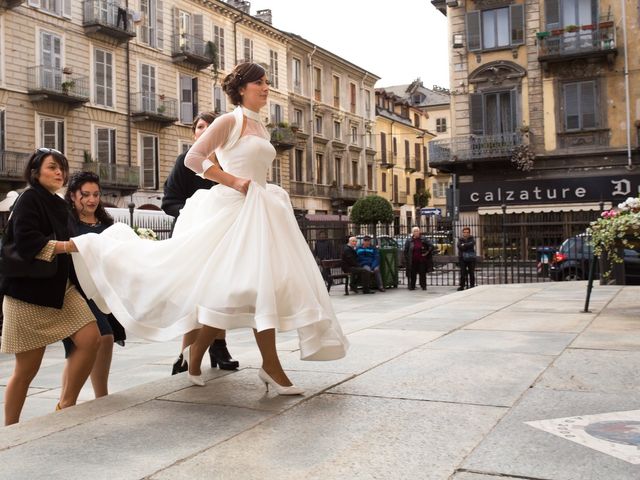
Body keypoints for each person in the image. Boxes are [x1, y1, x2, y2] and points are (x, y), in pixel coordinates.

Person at [67, 62, 348, 395]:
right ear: (242, 88)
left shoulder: (261, 126)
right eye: (260, 82)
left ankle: (200, 352)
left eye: (267, 82)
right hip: (235, 209)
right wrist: (234, 181)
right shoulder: (230, 120)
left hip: (262, 209)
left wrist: (255, 185)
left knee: (243, 291)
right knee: (241, 290)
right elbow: (194, 158)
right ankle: (269, 367)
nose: (266, 87)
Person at [0, 149, 100, 425]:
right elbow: (26, 242)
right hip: (26, 294)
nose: (60, 173)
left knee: (91, 337)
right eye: (53, 167)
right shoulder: (28, 198)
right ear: (35, 172)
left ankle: (66, 405)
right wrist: (68, 246)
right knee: (26, 370)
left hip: (58, 288)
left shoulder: (57, 202)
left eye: (62, 168)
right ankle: (11, 429)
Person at [162, 111, 239, 375]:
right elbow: (169, 202)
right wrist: (199, 212)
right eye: (200, 127)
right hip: (192, 237)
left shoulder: (229, 161)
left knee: (219, 291)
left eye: (210, 126)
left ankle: (218, 345)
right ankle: (188, 353)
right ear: (194, 133)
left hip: (224, 237)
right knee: (194, 295)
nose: (204, 131)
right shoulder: (185, 161)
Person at [61, 171, 126, 398]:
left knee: (85, 348)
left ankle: (72, 400)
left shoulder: (107, 223)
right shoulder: (66, 223)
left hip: (104, 290)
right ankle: (97, 397)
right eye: (85, 194)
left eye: (96, 194)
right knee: (102, 337)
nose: (91, 199)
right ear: (72, 196)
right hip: (76, 291)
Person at [403, 226, 434, 291]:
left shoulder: (424, 239)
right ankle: (412, 286)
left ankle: (423, 286)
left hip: (421, 260)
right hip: (413, 260)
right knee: (412, 274)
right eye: (414, 231)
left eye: (417, 231)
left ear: (419, 232)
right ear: (412, 233)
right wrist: (407, 259)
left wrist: (426, 253)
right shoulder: (409, 240)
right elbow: (406, 251)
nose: (416, 232)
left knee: (422, 273)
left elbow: (431, 246)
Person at [457, 226, 476, 291]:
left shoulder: (472, 238)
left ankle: (472, 285)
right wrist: (466, 245)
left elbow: (472, 244)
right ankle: (462, 286)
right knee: (462, 272)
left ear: (469, 233)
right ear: (463, 233)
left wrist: (464, 245)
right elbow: (459, 246)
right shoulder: (460, 239)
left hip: (471, 258)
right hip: (462, 258)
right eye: (464, 232)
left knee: (471, 272)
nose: (466, 233)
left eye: (467, 232)